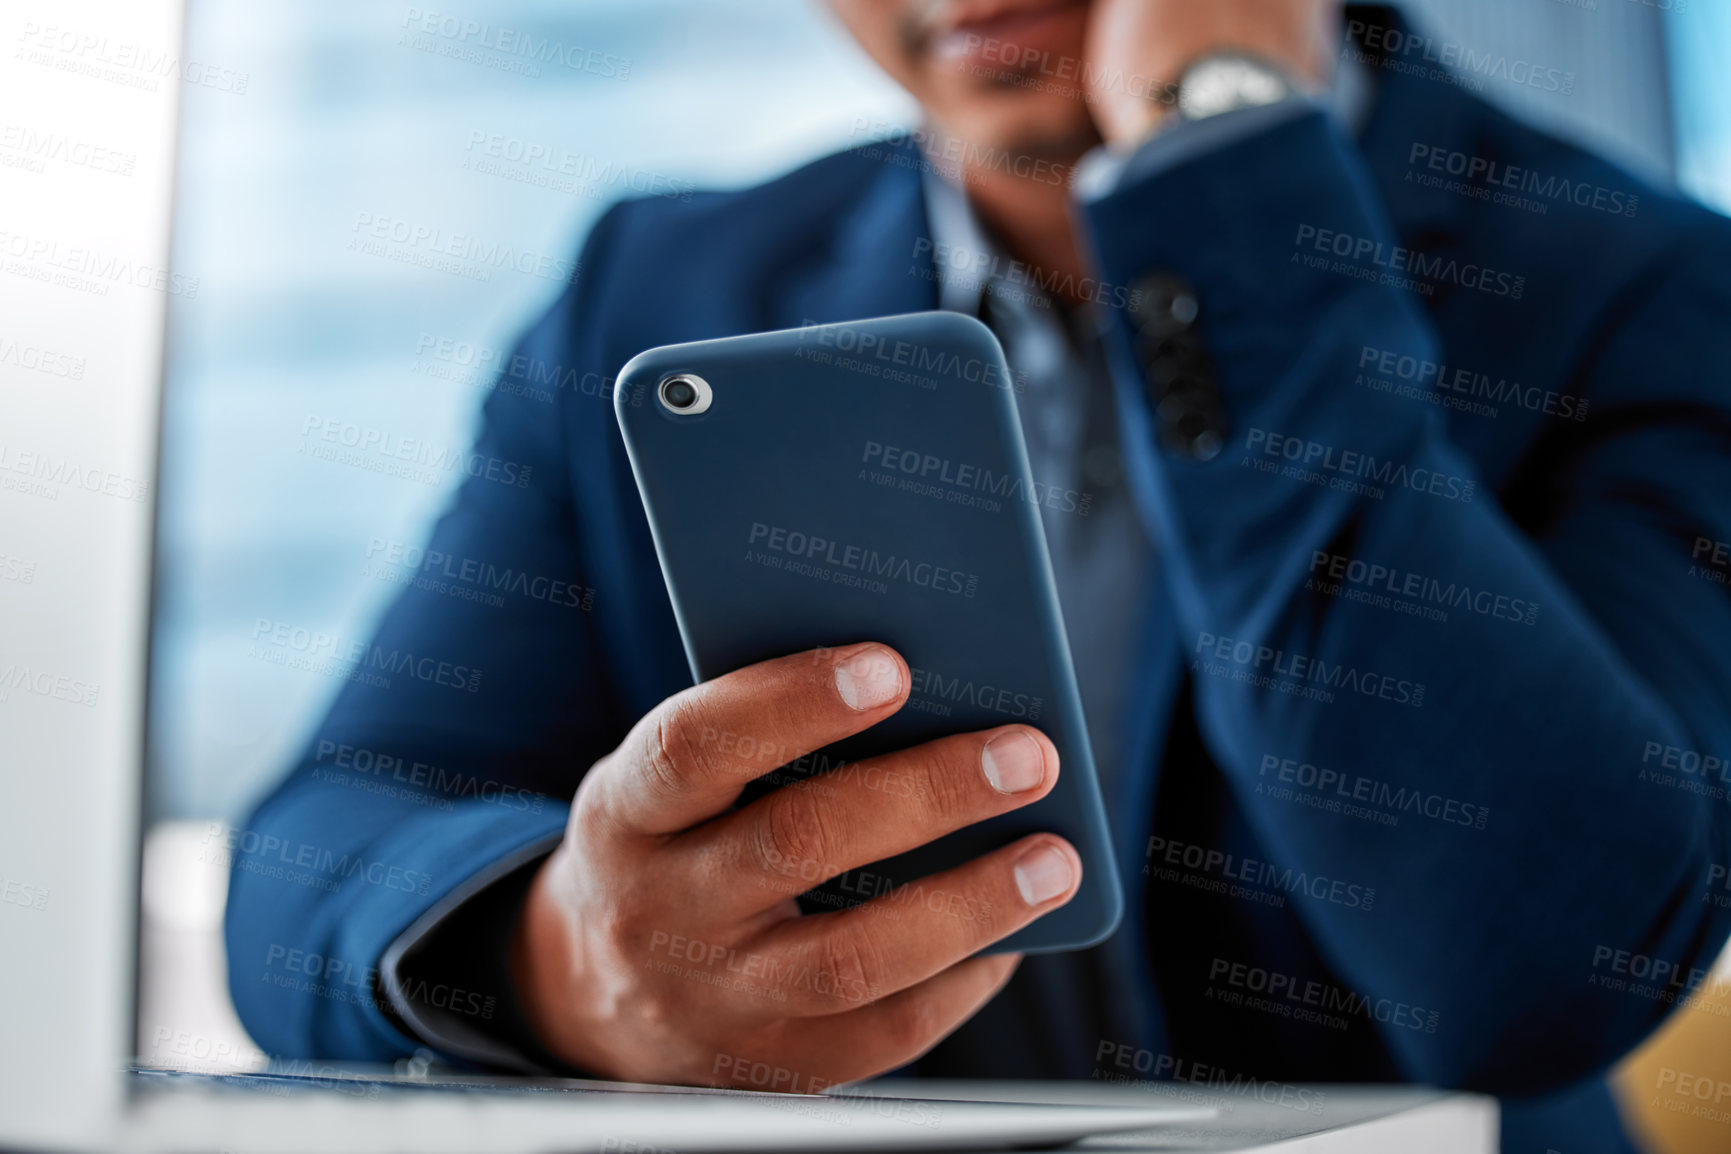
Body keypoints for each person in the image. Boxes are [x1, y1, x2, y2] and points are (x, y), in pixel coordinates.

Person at [224, 3, 1731, 1151]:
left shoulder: (1652, 289)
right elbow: (308, 860)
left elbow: (1536, 976)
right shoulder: (654, 289)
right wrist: (567, 961)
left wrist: (1222, 162)